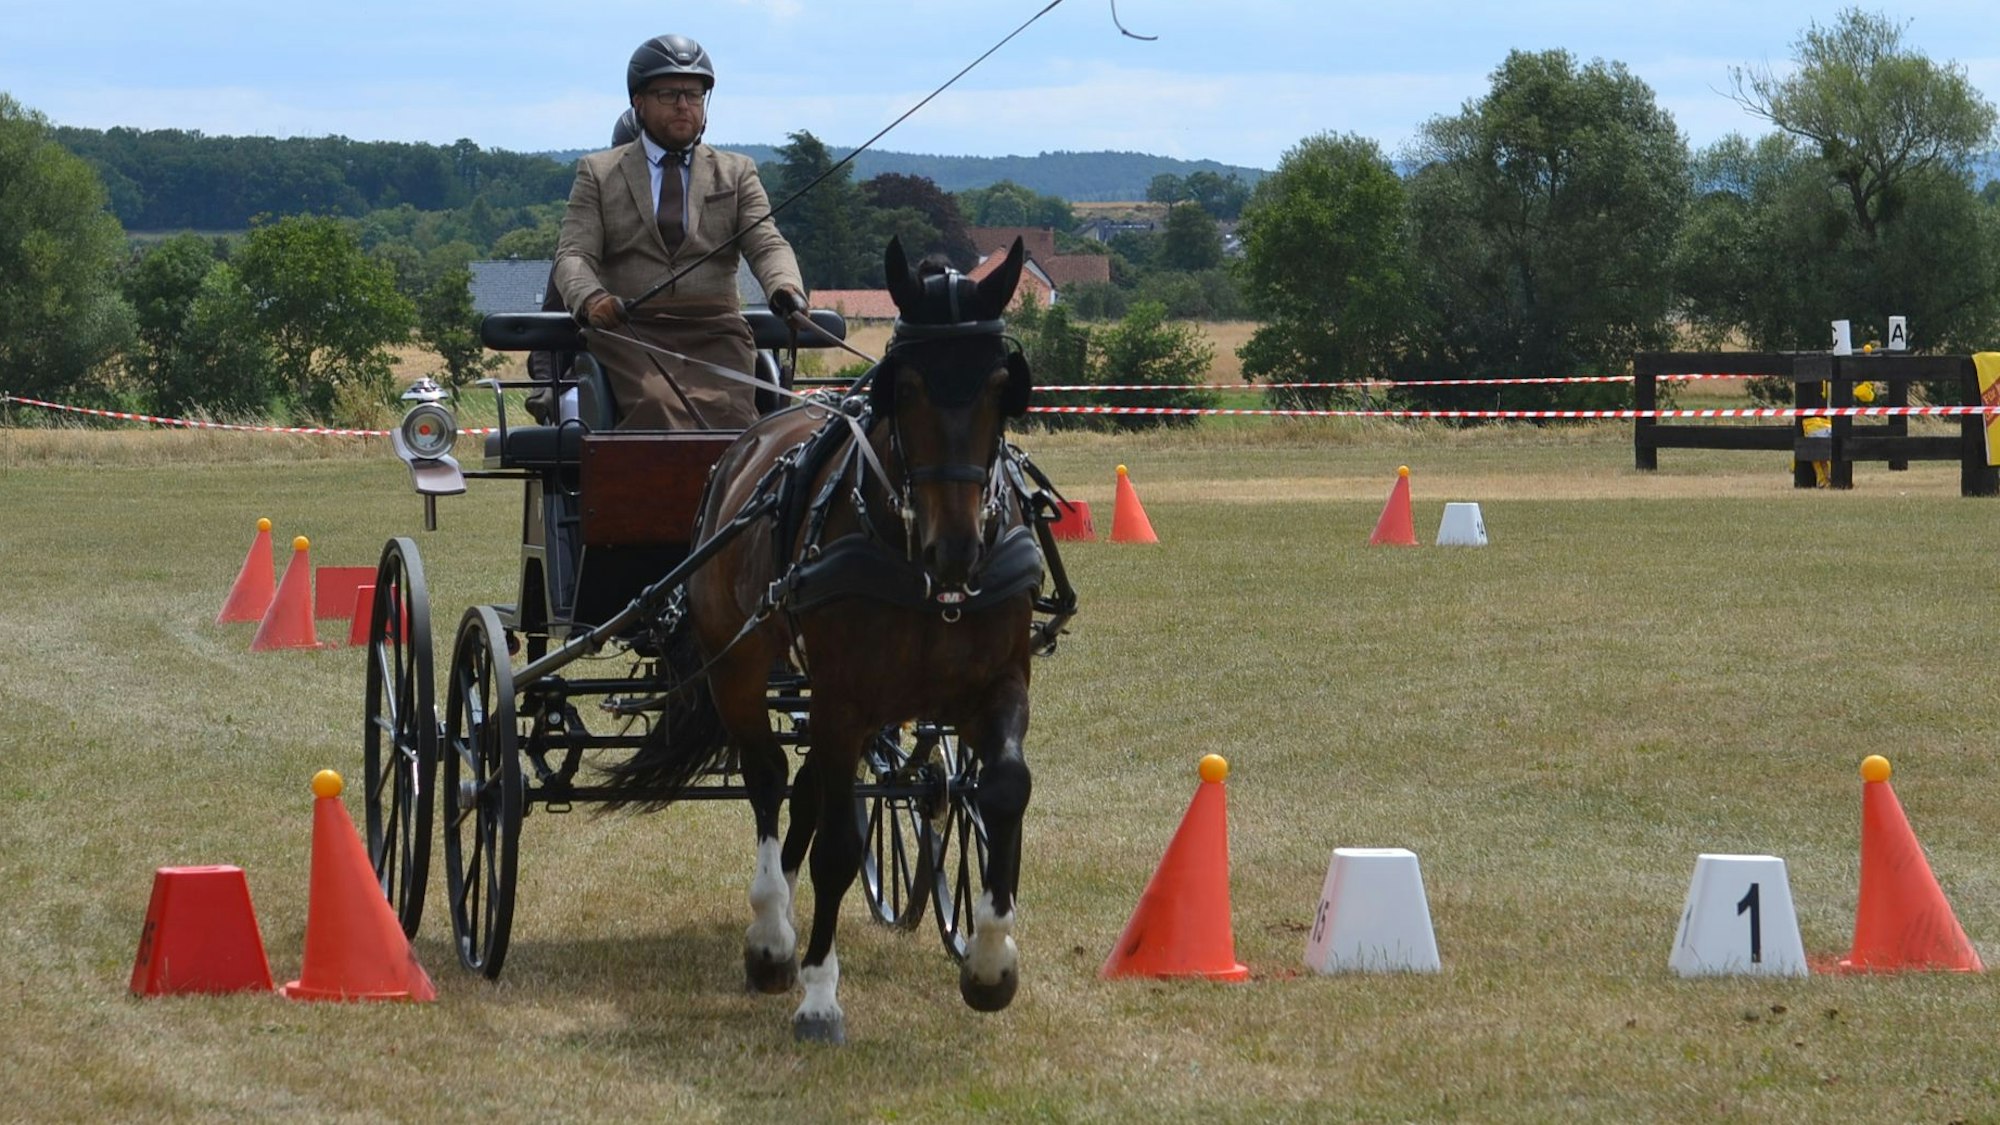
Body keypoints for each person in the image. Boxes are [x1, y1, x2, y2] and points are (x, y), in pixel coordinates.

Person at [553, 33, 807, 430]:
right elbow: (573, 255)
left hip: (716, 331)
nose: (684, 105)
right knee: (656, 404)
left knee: (732, 413)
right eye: (669, 94)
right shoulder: (599, 173)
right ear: (639, 102)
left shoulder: (737, 172)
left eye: (693, 95)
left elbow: (767, 243)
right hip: (632, 331)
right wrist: (592, 298)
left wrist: (786, 288)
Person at [526, 109, 642, 424]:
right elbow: (551, 317)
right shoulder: (585, 236)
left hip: (686, 363)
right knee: (579, 412)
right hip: (599, 368)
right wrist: (546, 385)